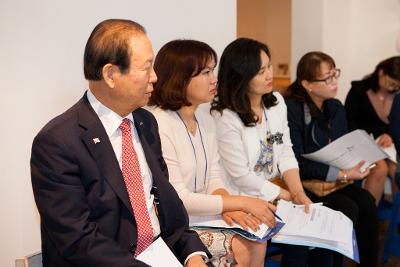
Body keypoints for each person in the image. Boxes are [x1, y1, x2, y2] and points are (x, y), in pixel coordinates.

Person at [30, 19, 210, 267]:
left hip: (159, 256)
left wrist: (193, 255)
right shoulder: (58, 142)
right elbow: (79, 241)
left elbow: (169, 208)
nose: (155, 77)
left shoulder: (146, 122)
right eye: (146, 68)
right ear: (111, 74)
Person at [147, 39, 275, 267]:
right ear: (181, 78)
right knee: (248, 243)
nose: (214, 79)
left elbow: (214, 176)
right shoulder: (159, 123)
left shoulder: (204, 118)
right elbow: (179, 199)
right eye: (206, 72)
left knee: (255, 235)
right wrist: (239, 203)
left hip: (204, 217)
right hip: (175, 226)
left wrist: (231, 208)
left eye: (213, 70)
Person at [210, 38, 312, 267]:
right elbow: (240, 176)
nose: (270, 75)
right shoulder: (225, 116)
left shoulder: (276, 102)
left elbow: (285, 151)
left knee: (309, 237)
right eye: (260, 71)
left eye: (269, 66)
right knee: (291, 240)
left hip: (273, 192)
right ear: (241, 77)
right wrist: (285, 196)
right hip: (241, 199)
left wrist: (297, 190)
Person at [285, 51, 379, 267]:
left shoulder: (334, 107)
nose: (335, 81)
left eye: (335, 74)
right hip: (303, 182)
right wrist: (344, 173)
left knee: (366, 201)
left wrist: (356, 164)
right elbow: (297, 160)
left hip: (332, 178)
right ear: (307, 84)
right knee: (347, 208)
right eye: (327, 78)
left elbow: (342, 147)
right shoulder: (292, 109)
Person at [345, 56, 400, 202]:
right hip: (362, 141)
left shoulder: (396, 96)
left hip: (387, 144)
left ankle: (394, 215)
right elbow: (349, 121)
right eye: (391, 83)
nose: (392, 88)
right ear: (381, 73)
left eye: (396, 86)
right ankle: (370, 217)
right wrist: (365, 140)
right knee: (380, 168)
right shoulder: (359, 90)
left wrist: (389, 134)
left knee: (396, 168)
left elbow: (395, 123)